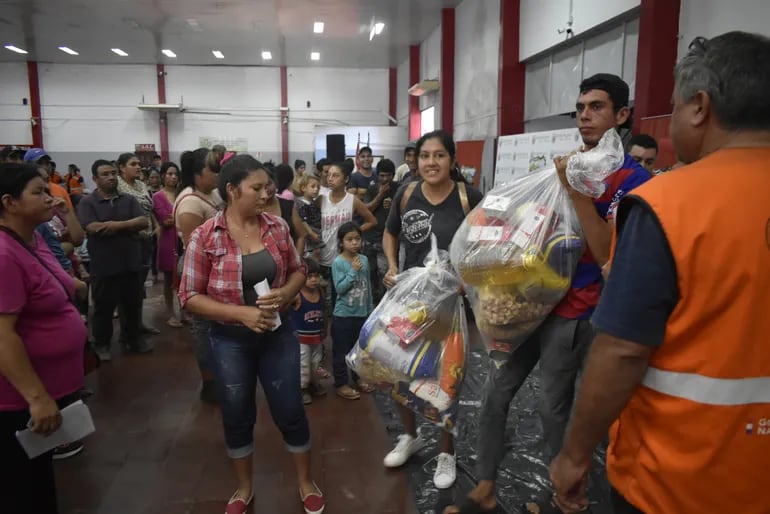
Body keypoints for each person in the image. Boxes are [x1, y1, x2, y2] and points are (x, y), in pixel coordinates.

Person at [549, 31, 770, 514]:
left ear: (699, 107)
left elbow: (623, 349)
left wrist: (573, 455)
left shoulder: (666, 204)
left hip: (683, 476)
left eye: (672, 106)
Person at [445, 74, 651, 514]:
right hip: (529, 308)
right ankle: (485, 483)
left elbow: (603, 250)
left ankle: (567, 496)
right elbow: (535, 226)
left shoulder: (633, 181)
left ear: (621, 115)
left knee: (552, 406)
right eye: (580, 108)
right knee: (495, 393)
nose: (585, 116)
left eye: (597, 107)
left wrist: (573, 191)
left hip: (573, 313)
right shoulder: (568, 164)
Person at [179, 154, 324, 514]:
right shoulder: (205, 236)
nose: (265, 194)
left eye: (267, 188)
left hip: (277, 334)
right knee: (236, 411)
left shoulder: (276, 227)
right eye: (256, 188)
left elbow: (298, 270)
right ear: (231, 190)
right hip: (230, 340)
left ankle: (306, 481)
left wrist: (287, 293)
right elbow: (189, 296)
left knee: (290, 406)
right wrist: (240, 313)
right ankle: (244, 488)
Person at [383, 129, 483, 489]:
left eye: (439, 155)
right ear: (416, 160)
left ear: (452, 161)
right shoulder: (406, 192)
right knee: (399, 370)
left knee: (446, 378)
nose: (431, 163)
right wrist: (392, 267)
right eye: (425, 156)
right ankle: (410, 436)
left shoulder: (469, 197)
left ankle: (446, 452)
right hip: (409, 301)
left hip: (451, 306)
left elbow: (485, 245)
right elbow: (390, 233)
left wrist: (467, 281)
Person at [0, 162, 88, 514]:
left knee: (38, 482)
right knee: (19, 488)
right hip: (16, 399)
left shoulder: (31, 239)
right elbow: (3, 335)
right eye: (38, 192)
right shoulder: (4, 254)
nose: (49, 197)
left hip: (48, 386)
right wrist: (36, 398)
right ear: (10, 202)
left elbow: (60, 281)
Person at [77, 160, 151, 361]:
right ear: (95, 179)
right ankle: (101, 344)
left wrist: (112, 226)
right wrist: (128, 226)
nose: (110, 177)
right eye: (104, 174)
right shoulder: (88, 202)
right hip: (104, 266)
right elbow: (92, 228)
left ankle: (133, 339)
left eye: (112, 173)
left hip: (130, 263)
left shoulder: (128, 200)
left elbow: (143, 221)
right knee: (103, 308)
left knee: (132, 305)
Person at [175, 148, 224, 404]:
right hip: (200, 267)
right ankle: (209, 381)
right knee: (203, 326)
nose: (217, 174)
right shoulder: (190, 203)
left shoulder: (212, 193)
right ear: (197, 174)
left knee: (217, 324)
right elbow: (195, 247)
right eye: (211, 169)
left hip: (217, 264)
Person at [318, 163, 376, 316]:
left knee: (344, 296)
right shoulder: (321, 199)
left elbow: (372, 221)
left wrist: (352, 235)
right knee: (325, 303)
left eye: (335, 175)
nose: (330, 179)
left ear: (346, 179)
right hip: (325, 256)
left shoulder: (352, 200)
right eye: (328, 175)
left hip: (346, 258)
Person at [116, 152, 160, 333]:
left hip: (146, 239)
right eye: (133, 164)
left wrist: (155, 226)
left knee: (140, 285)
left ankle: (138, 322)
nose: (138, 166)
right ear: (121, 167)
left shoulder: (142, 184)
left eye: (138, 164)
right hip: (129, 241)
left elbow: (149, 209)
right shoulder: (118, 187)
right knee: (127, 286)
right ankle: (128, 327)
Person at [331, 222, 373, 400]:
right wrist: (353, 272)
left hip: (361, 314)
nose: (355, 242)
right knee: (341, 352)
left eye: (357, 239)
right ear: (341, 242)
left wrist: (370, 311)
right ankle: (341, 383)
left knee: (360, 350)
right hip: (343, 316)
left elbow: (369, 286)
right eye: (349, 239)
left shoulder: (364, 259)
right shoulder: (338, 262)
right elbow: (340, 289)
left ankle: (358, 378)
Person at [291, 257, 326, 405]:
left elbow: (323, 313)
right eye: (309, 276)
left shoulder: (321, 293)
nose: (314, 280)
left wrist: (324, 331)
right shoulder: (297, 295)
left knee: (316, 362)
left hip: (316, 336)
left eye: (316, 276)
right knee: (303, 364)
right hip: (302, 339)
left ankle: (312, 383)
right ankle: (302, 388)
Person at [153, 162, 182, 327]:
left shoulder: (181, 194)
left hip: (181, 239)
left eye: (175, 174)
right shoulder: (158, 196)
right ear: (163, 175)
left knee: (184, 277)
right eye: (169, 174)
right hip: (167, 239)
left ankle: (184, 312)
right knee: (169, 279)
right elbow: (166, 221)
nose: (173, 177)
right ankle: (171, 313)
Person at [363, 158, 396, 302]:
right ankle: (371, 303)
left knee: (385, 274)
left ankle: (384, 303)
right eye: (382, 175)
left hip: (387, 238)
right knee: (369, 273)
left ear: (393, 175)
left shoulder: (399, 188)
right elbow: (366, 209)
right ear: (378, 175)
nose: (385, 179)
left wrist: (393, 204)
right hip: (370, 238)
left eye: (388, 175)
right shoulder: (372, 189)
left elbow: (405, 211)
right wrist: (380, 196)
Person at [262, 166, 306, 253]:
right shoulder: (254, 208)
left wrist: (297, 258)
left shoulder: (287, 205)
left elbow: (302, 235)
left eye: (269, 184)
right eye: (261, 186)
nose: (266, 189)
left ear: (275, 182)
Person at [295, 174, 323, 257]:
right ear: (303, 188)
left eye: (318, 188)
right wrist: (311, 233)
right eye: (313, 187)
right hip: (307, 233)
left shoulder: (314, 203)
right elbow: (302, 220)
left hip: (317, 232)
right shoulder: (300, 203)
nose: (316, 189)